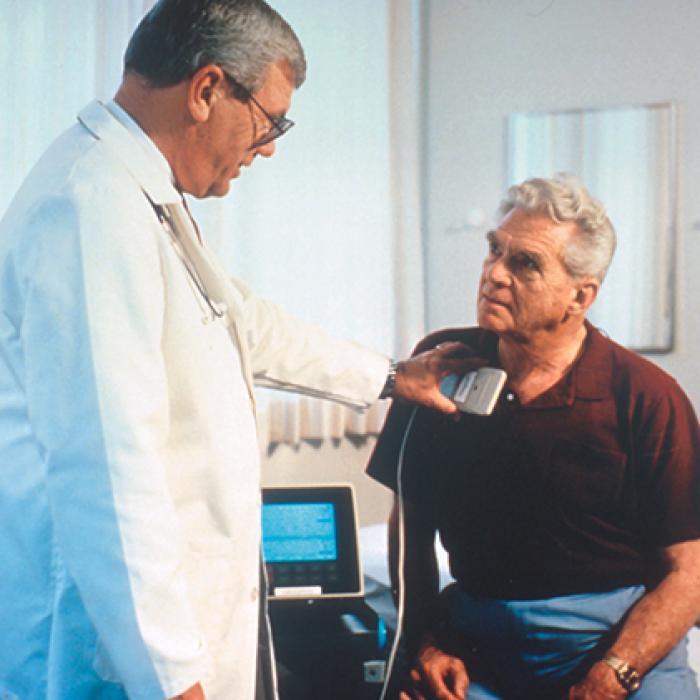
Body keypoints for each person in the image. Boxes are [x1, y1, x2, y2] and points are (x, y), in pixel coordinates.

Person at [0, 2, 474, 699]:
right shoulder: (88, 209)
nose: (271, 145)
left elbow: (242, 322)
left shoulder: (139, 195)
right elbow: (106, 473)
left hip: (176, 633)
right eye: (270, 119)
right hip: (121, 659)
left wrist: (390, 376)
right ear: (206, 90)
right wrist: (170, 680)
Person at [367, 175, 700, 700]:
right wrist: (425, 643)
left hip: (613, 644)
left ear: (580, 296)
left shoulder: (646, 396)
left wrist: (612, 673)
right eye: (494, 251)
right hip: (477, 645)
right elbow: (410, 527)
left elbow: (689, 574)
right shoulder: (440, 364)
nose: (493, 275)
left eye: (524, 264)